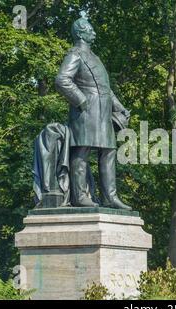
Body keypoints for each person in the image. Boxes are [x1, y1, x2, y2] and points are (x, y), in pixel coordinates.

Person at [55, 13, 131, 209]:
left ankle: (110, 197)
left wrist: (120, 108)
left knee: (109, 152)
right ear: (81, 33)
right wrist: (81, 100)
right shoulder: (75, 54)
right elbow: (62, 80)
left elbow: (105, 88)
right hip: (85, 113)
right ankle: (80, 196)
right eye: (90, 30)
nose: (94, 33)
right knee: (82, 152)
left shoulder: (95, 57)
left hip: (104, 113)